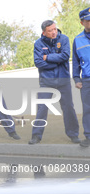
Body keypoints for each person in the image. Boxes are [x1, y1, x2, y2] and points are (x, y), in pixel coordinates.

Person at [29, 20, 80, 145]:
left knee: (68, 108)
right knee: (42, 108)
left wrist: (48, 57)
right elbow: (38, 63)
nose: (53, 32)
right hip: (46, 82)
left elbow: (65, 56)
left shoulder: (63, 39)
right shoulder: (38, 44)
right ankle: (36, 136)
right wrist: (57, 61)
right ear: (44, 32)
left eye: (54, 29)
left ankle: (73, 135)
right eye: (50, 30)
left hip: (63, 81)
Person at [73, 8, 90, 147]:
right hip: (86, 80)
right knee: (87, 109)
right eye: (88, 20)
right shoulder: (78, 40)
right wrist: (76, 79)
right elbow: (76, 61)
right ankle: (89, 137)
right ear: (82, 22)